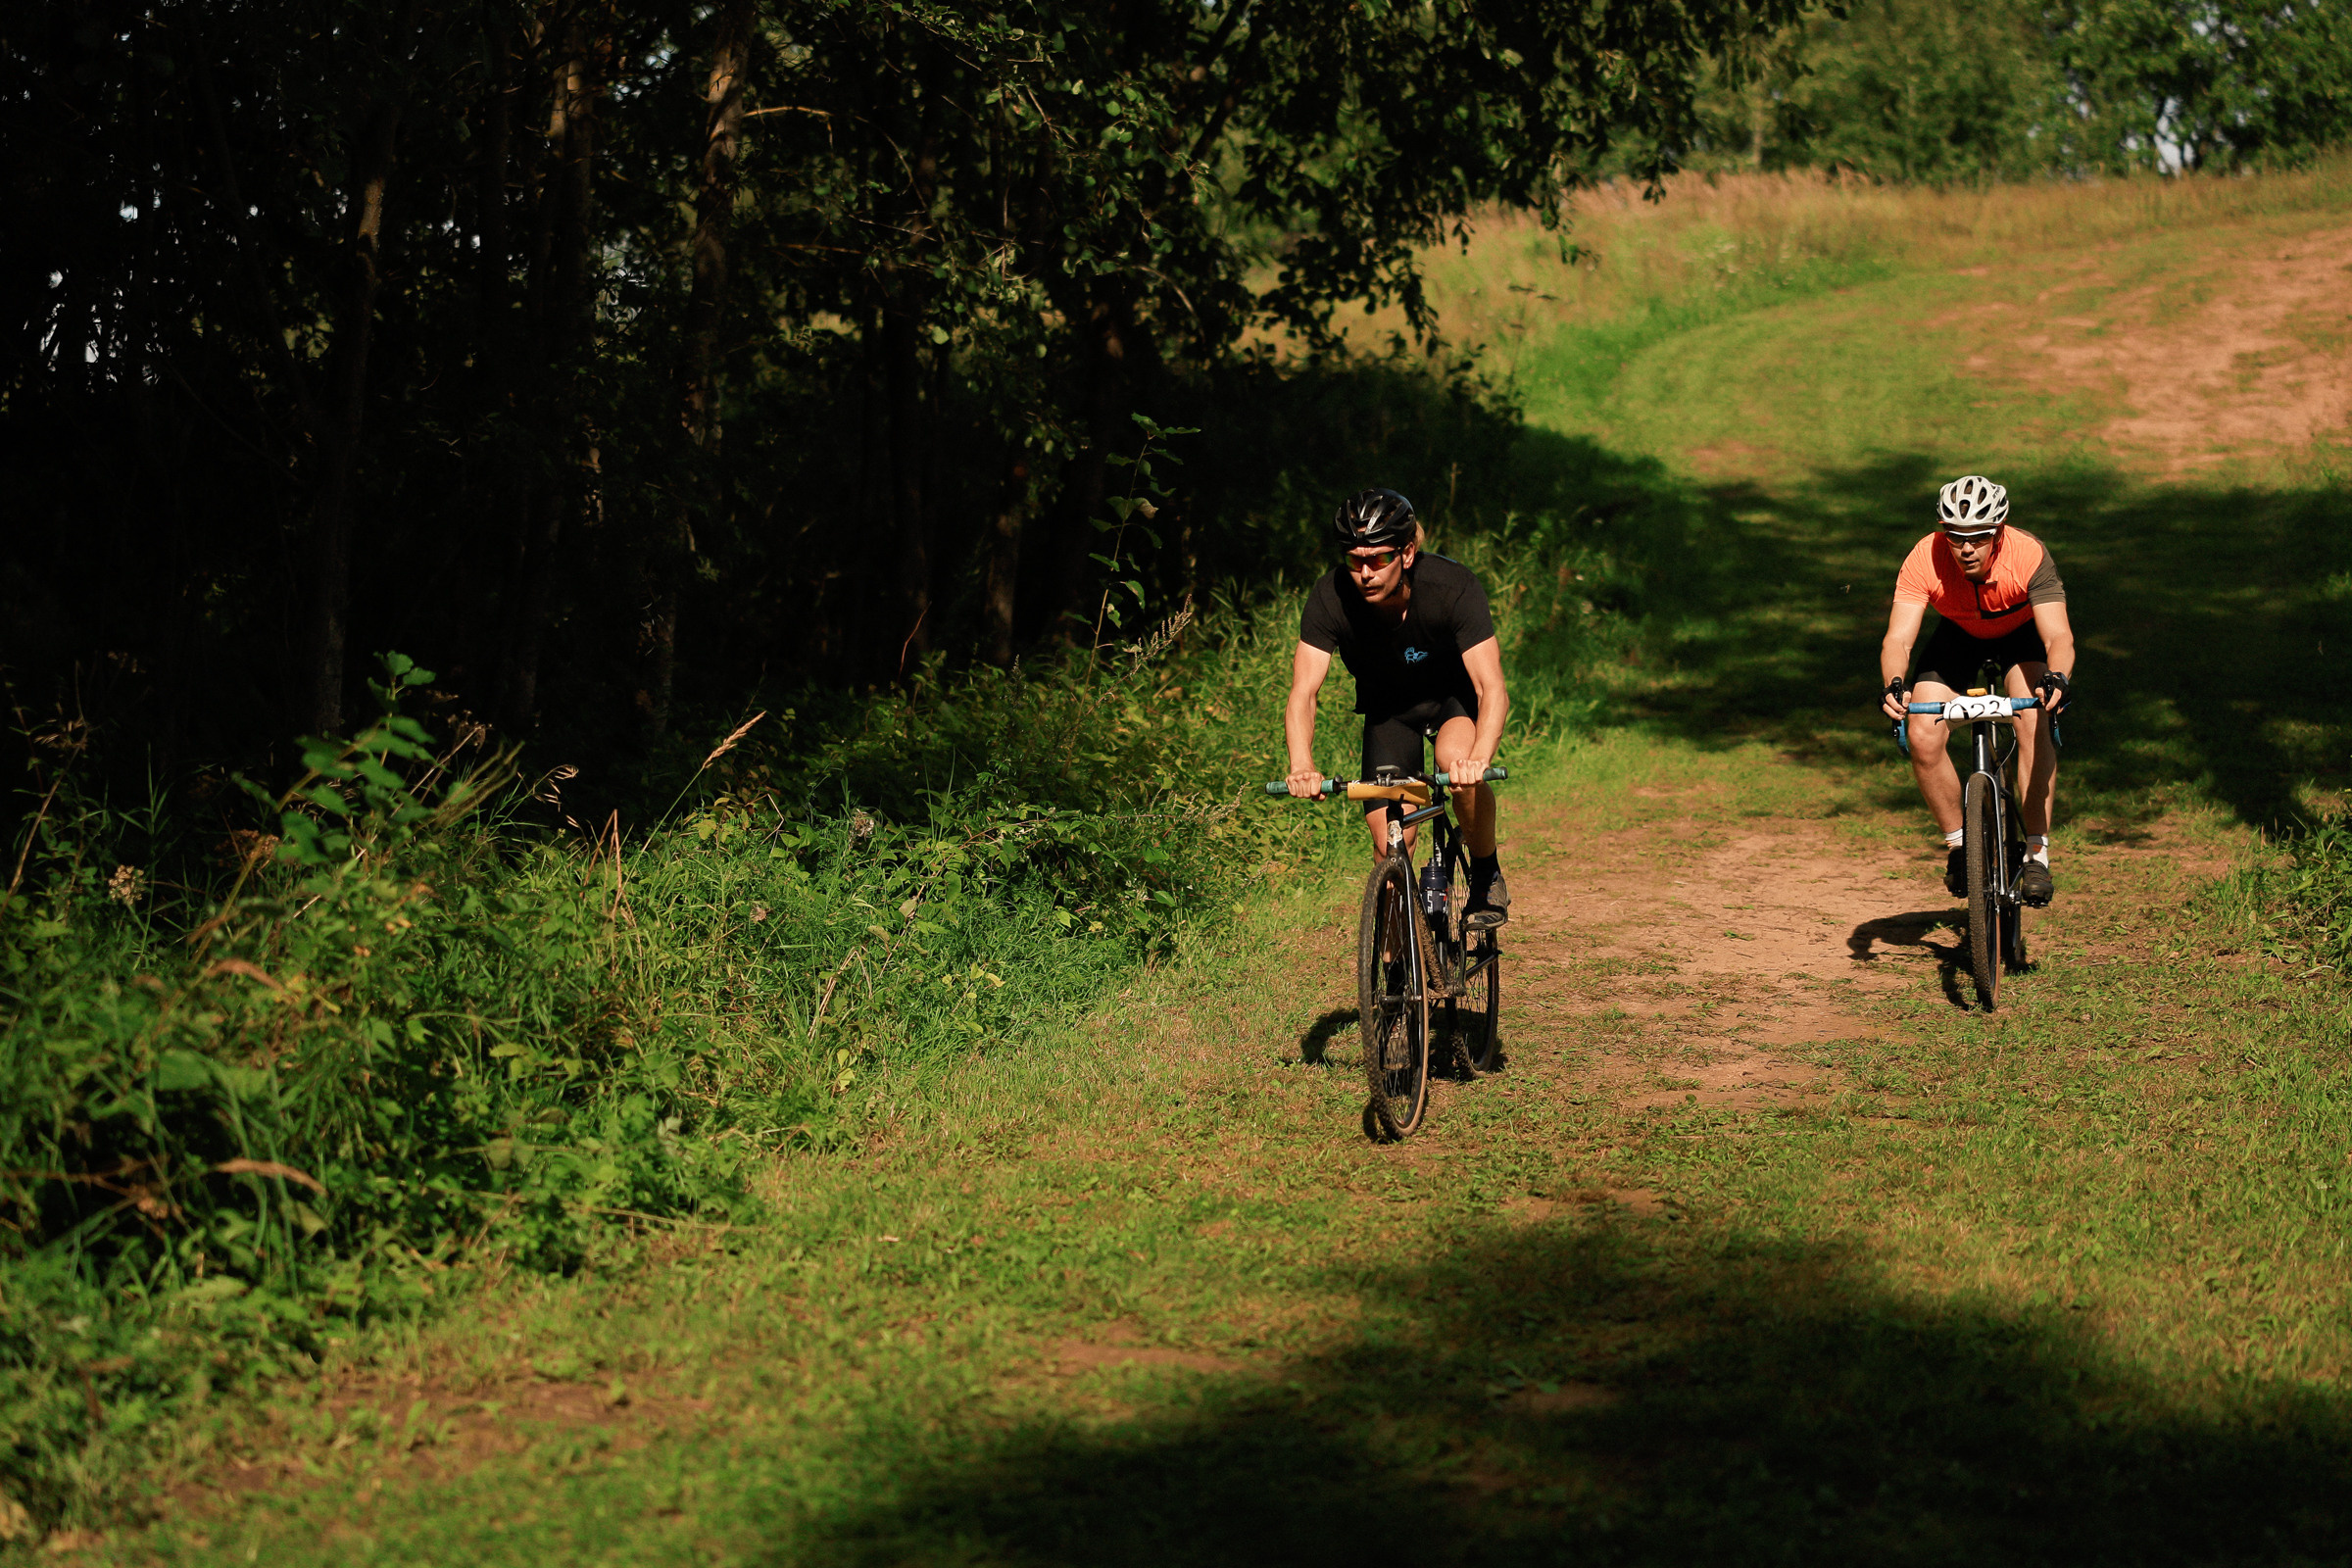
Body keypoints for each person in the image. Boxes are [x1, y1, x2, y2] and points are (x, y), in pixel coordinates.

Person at [1283, 488, 1512, 925]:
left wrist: (1479, 760)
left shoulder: (1451, 587)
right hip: (1389, 714)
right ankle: (1393, 966)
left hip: (1452, 701)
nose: (1365, 573)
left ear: (1406, 554)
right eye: (1354, 561)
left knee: (1456, 762)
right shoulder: (1331, 596)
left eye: (1378, 559)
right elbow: (1303, 692)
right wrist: (1301, 765)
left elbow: (1491, 688)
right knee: (1392, 842)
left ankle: (1486, 874)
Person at [1878, 475, 2076, 906]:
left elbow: (2058, 636)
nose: (1967, 548)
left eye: (1980, 536)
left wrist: (2057, 677)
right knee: (1921, 732)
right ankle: (1960, 844)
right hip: (1958, 637)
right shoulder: (1925, 556)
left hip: (2019, 637)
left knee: (2034, 717)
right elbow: (1898, 639)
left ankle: (2036, 853)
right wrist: (1894, 683)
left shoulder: (2028, 554)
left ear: (1999, 531)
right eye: (1955, 536)